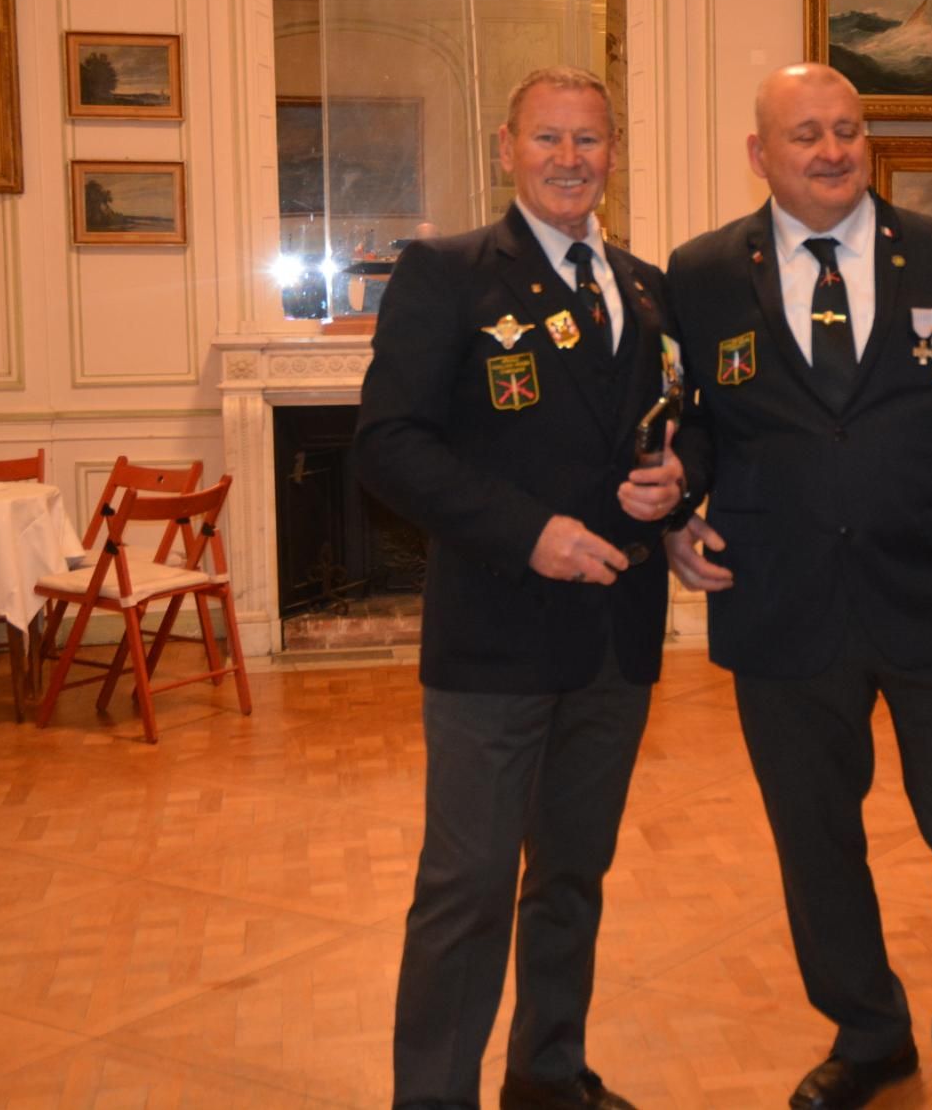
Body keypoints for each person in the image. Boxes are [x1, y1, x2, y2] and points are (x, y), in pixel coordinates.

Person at [662, 63, 932, 1110]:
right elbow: (691, 424)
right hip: (782, 603)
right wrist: (675, 506)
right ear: (760, 153)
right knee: (815, 840)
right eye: (806, 134)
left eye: (847, 129)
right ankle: (867, 1031)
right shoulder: (701, 272)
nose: (831, 150)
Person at [356, 66, 684, 1110]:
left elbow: (678, 425)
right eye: (548, 138)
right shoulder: (447, 273)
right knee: (468, 889)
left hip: (615, 638)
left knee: (570, 878)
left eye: (589, 139)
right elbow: (388, 444)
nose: (569, 159)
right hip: (494, 639)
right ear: (506, 148)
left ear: (613, 152)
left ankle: (547, 1074)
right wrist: (527, 532)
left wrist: (681, 483)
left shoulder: (646, 287)